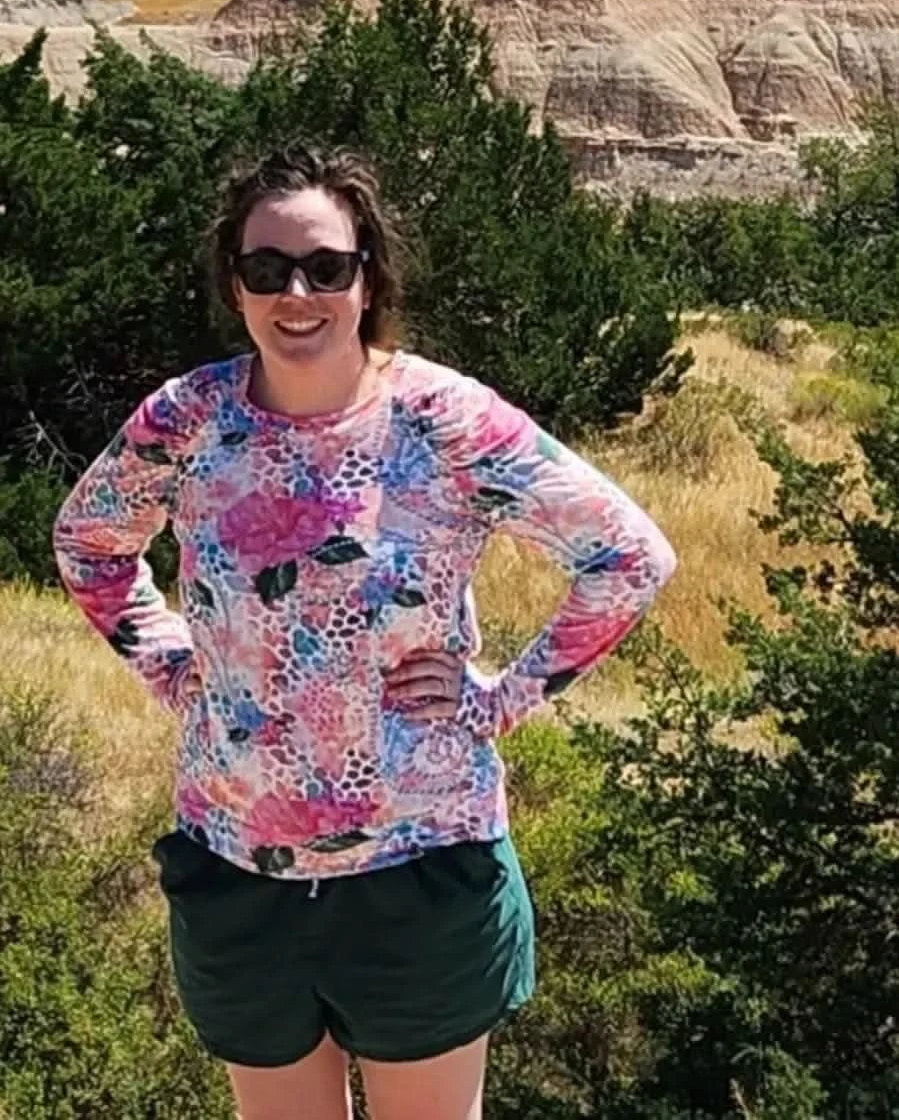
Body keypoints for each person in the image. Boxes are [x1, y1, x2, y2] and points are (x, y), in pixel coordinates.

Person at [52, 142, 677, 1120]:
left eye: (324, 267)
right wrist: (173, 667)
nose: (295, 292)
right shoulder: (187, 420)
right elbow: (88, 542)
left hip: (417, 872)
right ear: (235, 283)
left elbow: (628, 555)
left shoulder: (443, 418)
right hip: (237, 874)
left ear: (366, 275)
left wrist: (500, 698)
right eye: (266, 268)